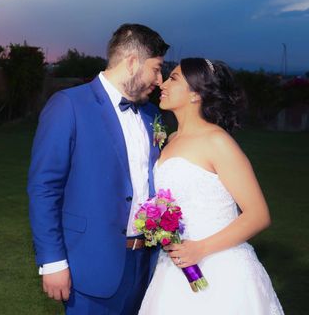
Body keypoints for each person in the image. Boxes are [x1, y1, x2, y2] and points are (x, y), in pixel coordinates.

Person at [28, 23, 169, 314]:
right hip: (91, 264)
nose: (160, 79)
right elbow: (44, 188)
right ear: (132, 63)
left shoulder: (151, 114)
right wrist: (53, 261)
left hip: (146, 264)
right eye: (156, 69)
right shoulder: (69, 105)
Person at [138, 58, 284, 314]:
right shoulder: (169, 140)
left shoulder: (217, 141)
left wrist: (199, 249)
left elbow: (258, 215)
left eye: (173, 78)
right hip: (174, 269)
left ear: (195, 94)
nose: (163, 83)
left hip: (221, 270)